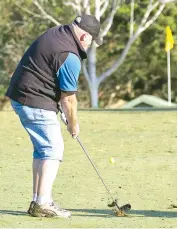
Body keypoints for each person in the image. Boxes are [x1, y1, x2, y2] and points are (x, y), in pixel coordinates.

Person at [5, 14, 102, 218]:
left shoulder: (58, 32)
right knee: (52, 148)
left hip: (21, 96)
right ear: (84, 36)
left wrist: (63, 111)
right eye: (92, 40)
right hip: (33, 100)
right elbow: (69, 100)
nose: (91, 44)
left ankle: (37, 200)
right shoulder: (70, 56)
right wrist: (73, 124)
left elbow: (50, 75)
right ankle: (43, 203)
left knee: (43, 150)